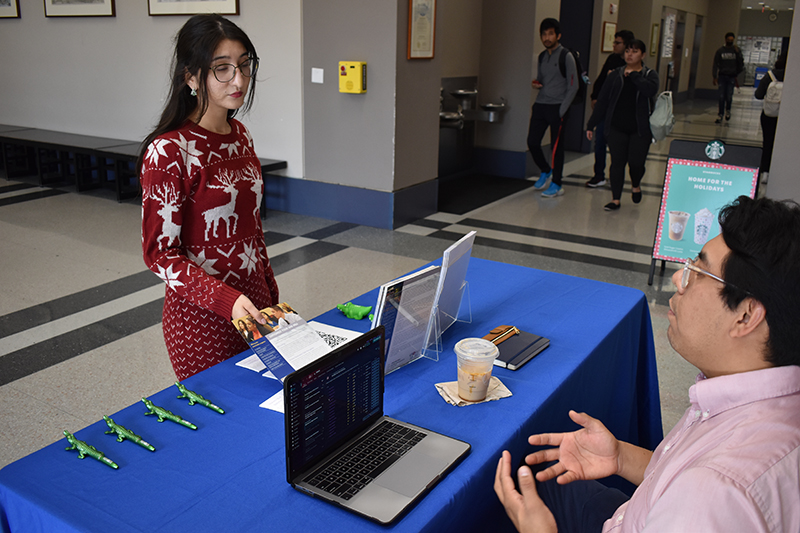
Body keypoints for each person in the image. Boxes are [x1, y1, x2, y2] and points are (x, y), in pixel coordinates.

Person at [495, 195, 800, 532]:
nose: (678, 281)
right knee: (540, 477)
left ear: (746, 315)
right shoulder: (765, 402)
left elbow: (698, 493)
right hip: (641, 512)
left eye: (698, 272)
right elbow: (679, 474)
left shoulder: (710, 494)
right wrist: (620, 457)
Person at [138, 14, 279, 380]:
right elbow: (160, 255)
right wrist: (226, 301)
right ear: (190, 76)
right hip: (202, 323)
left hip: (254, 307)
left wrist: (270, 295)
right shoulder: (168, 152)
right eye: (222, 68)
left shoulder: (241, 135)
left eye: (245, 65)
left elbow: (252, 228)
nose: (239, 80)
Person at [585, 39, 658, 211]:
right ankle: (615, 199)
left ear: (643, 55)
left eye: (634, 51)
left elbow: (650, 90)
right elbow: (602, 101)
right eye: (627, 51)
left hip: (640, 129)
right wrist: (591, 124)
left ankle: (635, 184)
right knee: (617, 162)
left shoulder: (649, 75)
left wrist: (633, 75)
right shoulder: (614, 75)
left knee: (636, 163)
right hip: (617, 127)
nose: (630, 55)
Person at [528, 18, 579, 198]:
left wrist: (561, 110)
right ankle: (545, 169)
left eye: (550, 34)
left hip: (558, 107)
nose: (547, 37)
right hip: (541, 105)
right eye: (544, 34)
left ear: (558, 35)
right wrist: (537, 84)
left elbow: (574, 86)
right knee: (532, 142)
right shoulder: (542, 56)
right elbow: (542, 79)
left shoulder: (566, 56)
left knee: (556, 148)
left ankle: (557, 183)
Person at [585, 30, 634, 189]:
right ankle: (598, 175)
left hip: (620, 112)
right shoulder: (612, 59)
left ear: (626, 45)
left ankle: (616, 175)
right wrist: (594, 96)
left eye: (617, 43)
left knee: (617, 146)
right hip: (605, 109)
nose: (614, 45)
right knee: (599, 142)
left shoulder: (631, 64)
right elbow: (601, 80)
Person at [754, 53, 786, 184]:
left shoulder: (770, 75)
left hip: (769, 115)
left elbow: (758, 95)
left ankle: (765, 172)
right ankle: (781, 170)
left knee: (768, 142)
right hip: (785, 117)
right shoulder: (793, 75)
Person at [712, 32, 744, 124]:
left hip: (731, 77)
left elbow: (741, 64)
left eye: (732, 40)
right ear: (725, 40)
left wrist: (736, 72)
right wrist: (714, 76)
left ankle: (728, 111)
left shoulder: (736, 51)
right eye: (728, 40)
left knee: (729, 96)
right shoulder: (720, 51)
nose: (730, 42)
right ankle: (720, 114)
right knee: (721, 96)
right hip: (722, 76)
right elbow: (715, 64)